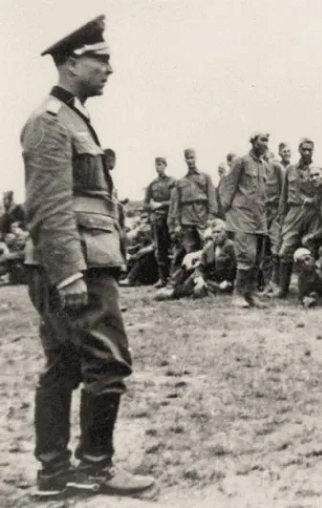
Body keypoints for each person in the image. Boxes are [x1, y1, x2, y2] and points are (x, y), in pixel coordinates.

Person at [20, 15, 153, 496]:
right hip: (79, 266)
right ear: (73, 62)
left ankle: (55, 475)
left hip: (78, 261)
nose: (109, 70)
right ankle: (93, 468)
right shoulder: (50, 122)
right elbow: (48, 207)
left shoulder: (72, 118)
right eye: (102, 60)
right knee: (107, 362)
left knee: (65, 366)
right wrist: (69, 274)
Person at [219, 132, 270, 308]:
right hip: (242, 217)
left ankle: (252, 294)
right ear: (253, 142)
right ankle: (238, 294)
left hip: (259, 219)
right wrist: (228, 213)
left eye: (267, 140)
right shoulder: (240, 161)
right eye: (262, 140)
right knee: (246, 256)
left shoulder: (264, 165)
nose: (265, 143)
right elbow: (227, 187)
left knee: (257, 259)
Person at [276, 138, 322, 298]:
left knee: (310, 248)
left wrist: (315, 202)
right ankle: (282, 289)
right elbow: (284, 195)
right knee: (286, 249)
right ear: (299, 150)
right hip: (294, 212)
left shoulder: (316, 169)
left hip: (312, 212)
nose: (306, 152)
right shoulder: (290, 170)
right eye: (304, 149)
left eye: (309, 150)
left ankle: (311, 288)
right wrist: (282, 216)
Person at [167, 148, 218, 277]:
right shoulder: (181, 182)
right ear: (184, 160)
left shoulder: (205, 177)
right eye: (188, 158)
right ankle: (189, 280)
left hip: (202, 219)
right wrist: (177, 223)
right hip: (186, 220)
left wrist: (211, 217)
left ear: (196, 158)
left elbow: (212, 198)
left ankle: (207, 278)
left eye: (192, 158)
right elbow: (176, 204)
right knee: (189, 251)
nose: (190, 161)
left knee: (207, 249)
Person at [144, 156, 175, 287]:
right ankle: (163, 278)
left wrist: (161, 204)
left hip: (170, 219)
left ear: (165, 165)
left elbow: (174, 201)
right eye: (156, 165)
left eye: (161, 164)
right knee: (160, 249)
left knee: (174, 248)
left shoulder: (172, 181)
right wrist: (151, 206)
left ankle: (174, 278)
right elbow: (145, 203)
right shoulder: (152, 184)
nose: (158, 167)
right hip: (157, 220)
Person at [261, 149, 284, 295]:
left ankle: (276, 284)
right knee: (265, 250)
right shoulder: (259, 171)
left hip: (276, 212)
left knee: (276, 249)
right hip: (263, 214)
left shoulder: (278, 169)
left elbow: (284, 192)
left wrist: (280, 214)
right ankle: (267, 284)